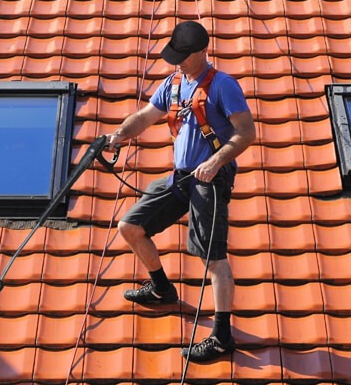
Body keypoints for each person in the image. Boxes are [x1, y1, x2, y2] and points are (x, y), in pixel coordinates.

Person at [106, 21, 256, 362]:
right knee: (130, 226)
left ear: (203, 51)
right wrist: (119, 134)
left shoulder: (223, 86)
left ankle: (221, 336)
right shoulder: (173, 84)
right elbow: (145, 117)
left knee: (211, 258)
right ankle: (161, 288)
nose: (178, 62)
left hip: (210, 181)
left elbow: (246, 132)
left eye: (184, 57)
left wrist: (216, 162)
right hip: (181, 177)